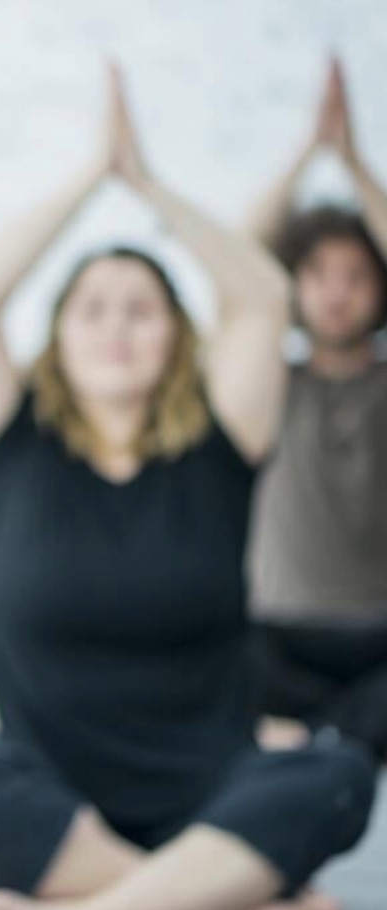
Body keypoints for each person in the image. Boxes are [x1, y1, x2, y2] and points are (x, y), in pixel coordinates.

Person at [0, 64, 376, 910]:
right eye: (91, 309)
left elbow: (263, 295)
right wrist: (91, 178)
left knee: (338, 776)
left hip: (210, 788)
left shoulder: (220, 447)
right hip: (50, 791)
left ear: (176, 339)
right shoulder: (8, 445)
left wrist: (152, 188)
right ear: (56, 337)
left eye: (142, 308)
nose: (117, 326)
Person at [245, 57, 387, 760]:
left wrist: (355, 163)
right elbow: (240, 261)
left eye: (357, 275)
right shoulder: (270, 380)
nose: (337, 292)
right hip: (277, 633)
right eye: (319, 275)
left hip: (378, 635)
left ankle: (325, 749)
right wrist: (309, 152)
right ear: (294, 286)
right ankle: (326, 750)